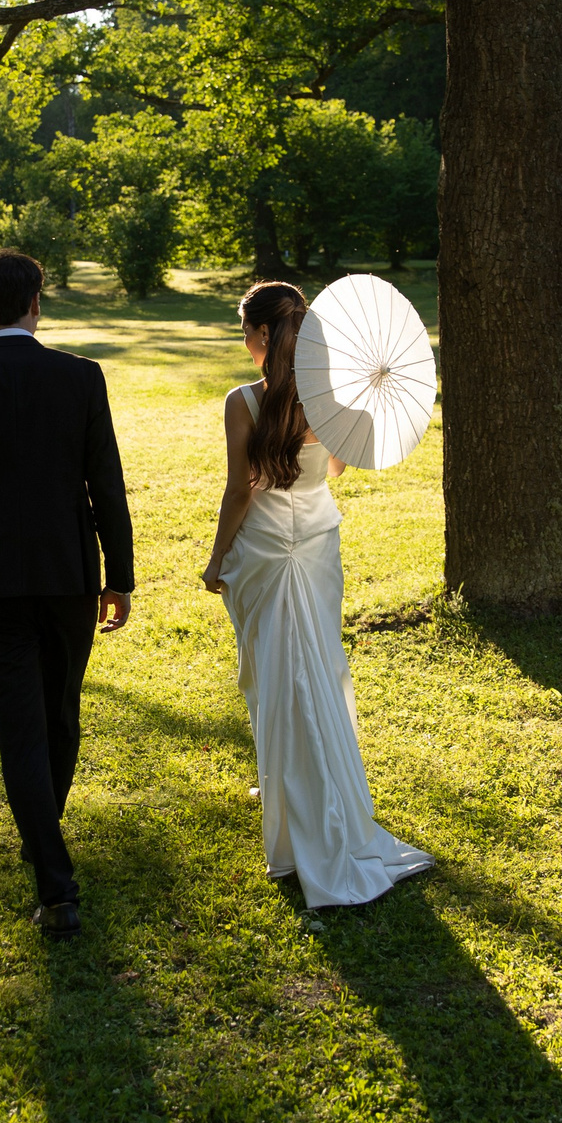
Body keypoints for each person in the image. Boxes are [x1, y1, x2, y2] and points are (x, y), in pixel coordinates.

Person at [0, 249, 134, 940]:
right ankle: (54, 879)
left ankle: (44, 847)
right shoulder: (80, 377)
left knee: (24, 725)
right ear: (37, 303)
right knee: (58, 716)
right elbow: (107, 483)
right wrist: (118, 576)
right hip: (68, 572)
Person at [200, 281, 433, 909]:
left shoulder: (244, 400)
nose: (244, 341)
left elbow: (240, 490)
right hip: (317, 542)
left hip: (265, 550)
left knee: (276, 673)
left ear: (261, 335)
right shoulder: (329, 396)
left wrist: (216, 558)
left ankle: (300, 801)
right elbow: (334, 468)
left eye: (245, 330)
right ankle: (305, 785)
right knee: (317, 668)